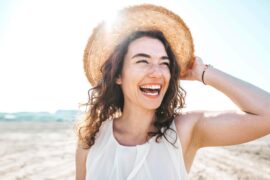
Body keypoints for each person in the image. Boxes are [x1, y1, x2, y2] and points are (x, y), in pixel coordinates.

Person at [75, 4, 270, 180]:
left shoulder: (185, 129)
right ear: (118, 75)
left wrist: (202, 72)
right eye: (143, 61)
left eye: (165, 63)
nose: (157, 72)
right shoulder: (91, 140)